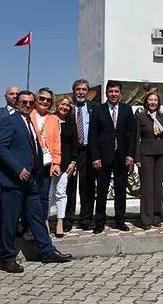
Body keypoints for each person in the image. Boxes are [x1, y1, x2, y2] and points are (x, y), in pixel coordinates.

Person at [0, 91, 71, 272]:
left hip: (32, 181)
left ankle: (47, 251)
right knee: (10, 220)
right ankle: (7, 257)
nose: (28, 105)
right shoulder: (10, 121)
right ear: (16, 103)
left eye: (30, 102)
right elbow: (0, 147)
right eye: (24, 102)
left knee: (37, 217)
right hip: (14, 181)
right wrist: (17, 169)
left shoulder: (29, 122)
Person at [90, 80, 136, 233]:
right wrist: (95, 157)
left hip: (122, 156)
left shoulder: (127, 109)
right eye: (111, 91)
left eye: (116, 91)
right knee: (102, 190)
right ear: (106, 93)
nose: (113, 94)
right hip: (103, 156)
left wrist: (130, 154)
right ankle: (99, 222)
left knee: (120, 189)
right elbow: (93, 135)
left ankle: (119, 220)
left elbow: (132, 134)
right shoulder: (98, 110)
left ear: (120, 93)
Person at [0, 86, 19, 245]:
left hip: (20, 166)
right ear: (5, 96)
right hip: (0, 166)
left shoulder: (25, 114)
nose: (14, 96)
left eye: (17, 94)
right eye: (11, 94)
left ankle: (14, 228)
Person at [66, 79, 97, 231]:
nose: (81, 92)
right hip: (71, 152)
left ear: (88, 91)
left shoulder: (94, 108)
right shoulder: (67, 108)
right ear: (73, 91)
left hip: (88, 151)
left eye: (84, 89)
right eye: (78, 89)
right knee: (69, 187)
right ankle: (68, 219)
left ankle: (85, 219)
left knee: (87, 186)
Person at [134, 91, 163, 228]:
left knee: (158, 187)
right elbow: (136, 138)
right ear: (146, 102)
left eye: (155, 100)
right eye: (150, 100)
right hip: (146, 155)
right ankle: (146, 219)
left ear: (158, 103)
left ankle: (157, 216)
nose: (153, 102)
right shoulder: (140, 117)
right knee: (147, 187)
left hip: (160, 154)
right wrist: (137, 157)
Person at [31, 88, 62, 233]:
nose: (44, 102)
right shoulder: (28, 115)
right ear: (36, 100)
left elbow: (56, 142)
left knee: (44, 195)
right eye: (42, 99)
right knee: (30, 195)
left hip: (47, 162)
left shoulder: (53, 119)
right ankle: (29, 224)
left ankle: (43, 223)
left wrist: (56, 163)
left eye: (48, 100)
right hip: (30, 162)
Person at [54, 95, 78, 237]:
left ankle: (60, 222)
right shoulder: (50, 119)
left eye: (67, 105)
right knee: (49, 194)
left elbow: (75, 143)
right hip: (50, 161)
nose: (64, 107)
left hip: (66, 162)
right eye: (62, 104)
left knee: (61, 193)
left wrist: (73, 161)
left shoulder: (70, 121)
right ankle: (44, 221)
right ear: (57, 105)